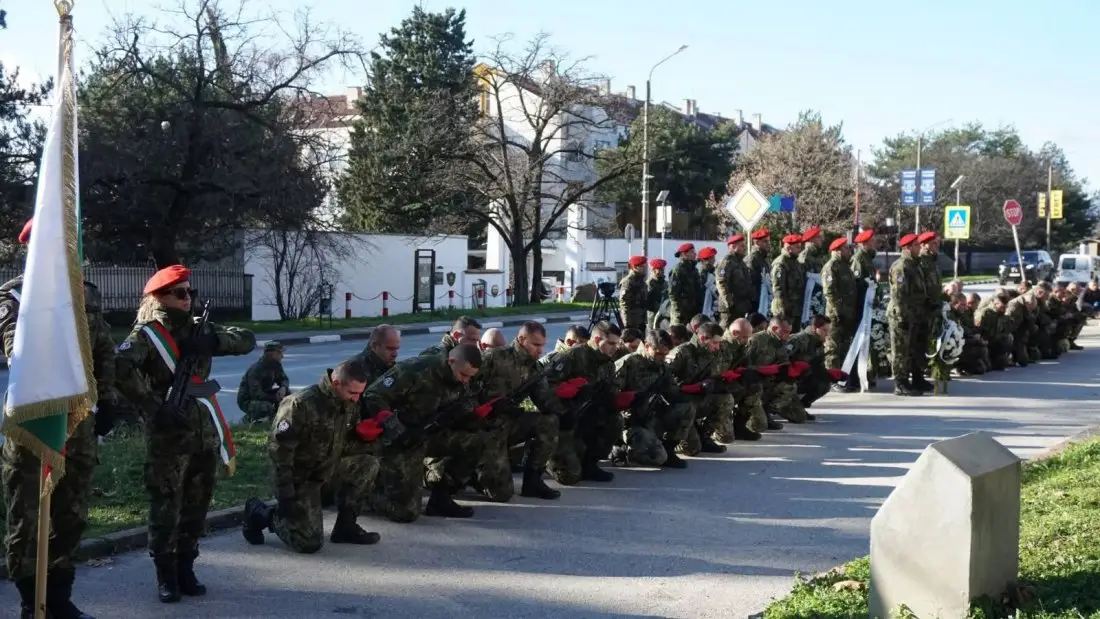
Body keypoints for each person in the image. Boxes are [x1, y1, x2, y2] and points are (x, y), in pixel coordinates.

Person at [114, 265, 256, 603]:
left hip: (203, 432)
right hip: (169, 434)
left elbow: (247, 340)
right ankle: (165, 574)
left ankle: (186, 567)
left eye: (189, 292)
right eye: (180, 293)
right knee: (166, 505)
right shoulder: (148, 334)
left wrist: (213, 340)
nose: (187, 298)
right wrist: (152, 406)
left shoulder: (199, 329)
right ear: (160, 297)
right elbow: (119, 367)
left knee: (197, 504)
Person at [1, 218, 118, 619]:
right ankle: (31, 603)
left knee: (71, 514)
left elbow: (104, 352)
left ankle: (61, 598)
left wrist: (110, 400)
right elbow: (17, 351)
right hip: (34, 425)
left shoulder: (85, 295)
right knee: (28, 518)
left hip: (78, 423)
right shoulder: (14, 297)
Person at [240, 358, 382, 552]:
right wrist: (286, 496)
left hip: (327, 470)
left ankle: (346, 527)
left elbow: (342, 443)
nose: (356, 399)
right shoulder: (300, 404)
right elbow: (279, 454)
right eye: (352, 393)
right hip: (301, 478)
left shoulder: (347, 402)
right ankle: (262, 514)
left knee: (368, 463)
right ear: (336, 384)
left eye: (360, 393)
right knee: (308, 542)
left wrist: (372, 437)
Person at [360, 344, 487, 522]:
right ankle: (365, 492)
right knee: (406, 513)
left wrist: (474, 416)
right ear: (451, 361)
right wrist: (396, 428)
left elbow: (461, 407)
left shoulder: (460, 379)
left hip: (429, 436)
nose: (465, 380)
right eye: (464, 375)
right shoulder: (415, 370)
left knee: (476, 441)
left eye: (470, 377)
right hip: (399, 441)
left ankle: (441, 498)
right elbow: (373, 395)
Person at [470, 321, 565, 501]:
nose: (540, 351)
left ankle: (533, 480)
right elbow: (465, 383)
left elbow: (545, 400)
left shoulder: (534, 368)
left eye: (542, 346)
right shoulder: (494, 357)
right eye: (536, 345)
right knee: (502, 493)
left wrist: (564, 414)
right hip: (485, 427)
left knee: (549, 421)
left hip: (509, 423)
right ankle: (472, 474)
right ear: (521, 340)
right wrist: (481, 406)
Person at [543, 321, 633, 484]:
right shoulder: (573, 356)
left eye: (617, 344)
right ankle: (547, 460)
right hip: (564, 419)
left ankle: (590, 463)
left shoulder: (608, 364)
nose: (615, 348)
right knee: (570, 476)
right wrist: (568, 394)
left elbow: (611, 392)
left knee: (614, 419)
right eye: (611, 343)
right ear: (598, 340)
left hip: (588, 419)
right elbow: (545, 384)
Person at [613, 329, 694, 468]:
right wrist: (633, 399)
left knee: (687, 408)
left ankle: (669, 448)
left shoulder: (662, 367)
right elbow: (611, 396)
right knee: (658, 458)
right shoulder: (628, 364)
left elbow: (673, 392)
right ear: (646, 346)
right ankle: (623, 451)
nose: (662, 358)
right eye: (658, 354)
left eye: (665, 354)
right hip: (630, 423)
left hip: (653, 417)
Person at [887, 234, 926, 396]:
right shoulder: (901, 267)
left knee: (911, 349)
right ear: (908, 247)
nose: (919, 248)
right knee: (900, 349)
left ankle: (912, 380)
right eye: (917, 245)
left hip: (914, 314)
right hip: (901, 315)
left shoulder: (914, 265)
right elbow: (898, 295)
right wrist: (902, 316)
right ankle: (900, 383)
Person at [821, 237, 858, 391]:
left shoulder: (845, 266)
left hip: (847, 313)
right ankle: (833, 379)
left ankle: (843, 378)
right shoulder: (831, 267)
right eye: (846, 249)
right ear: (837, 251)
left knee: (843, 346)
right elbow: (829, 292)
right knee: (833, 347)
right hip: (835, 315)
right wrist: (837, 311)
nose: (849, 251)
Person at [236, 341, 289, 423]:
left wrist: (283, 388)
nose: (282, 356)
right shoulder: (256, 370)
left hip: (265, 394)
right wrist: (275, 398)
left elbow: (284, 379)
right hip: (248, 400)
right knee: (266, 407)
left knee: (288, 395)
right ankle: (249, 418)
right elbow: (257, 394)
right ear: (270, 354)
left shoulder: (275, 365)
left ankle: (276, 416)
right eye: (279, 353)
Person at [716, 234, 754, 329]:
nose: (744, 248)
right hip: (730, 308)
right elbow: (722, 283)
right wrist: (729, 303)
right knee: (726, 331)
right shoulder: (726, 262)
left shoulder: (741, 263)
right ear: (733, 247)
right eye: (741, 246)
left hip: (741, 305)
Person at [771, 234, 806, 322]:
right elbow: (778, 289)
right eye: (797, 247)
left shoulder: (795, 261)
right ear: (789, 248)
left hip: (796, 307)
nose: (800, 250)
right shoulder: (781, 263)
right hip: (786, 309)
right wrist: (784, 308)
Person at [668, 244, 702, 325]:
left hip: (693, 310)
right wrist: (678, 311)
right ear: (684, 254)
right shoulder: (678, 270)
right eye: (692, 252)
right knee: (679, 334)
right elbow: (673, 293)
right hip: (681, 312)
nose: (695, 254)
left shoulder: (694, 270)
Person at [618, 256, 649, 330]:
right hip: (631, 321)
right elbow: (624, 303)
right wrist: (627, 323)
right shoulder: (628, 281)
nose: (644, 268)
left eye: (644, 266)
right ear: (634, 267)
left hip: (641, 319)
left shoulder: (641, 281)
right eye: (641, 266)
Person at [745, 229, 771, 314]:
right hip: (755, 303)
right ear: (757, 243)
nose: (768, 244)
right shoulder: (752, 259)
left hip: (763, 299)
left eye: (768, 241)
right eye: (765, 241)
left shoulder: (763, 259)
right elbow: (750, 283)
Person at [646, 258, 668, 328]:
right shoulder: (649, 284)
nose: (662, 271)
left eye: (663, 269)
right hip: (653, 315)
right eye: (660, 269)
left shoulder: (665, 283)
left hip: (664, 314)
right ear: (654, 270)